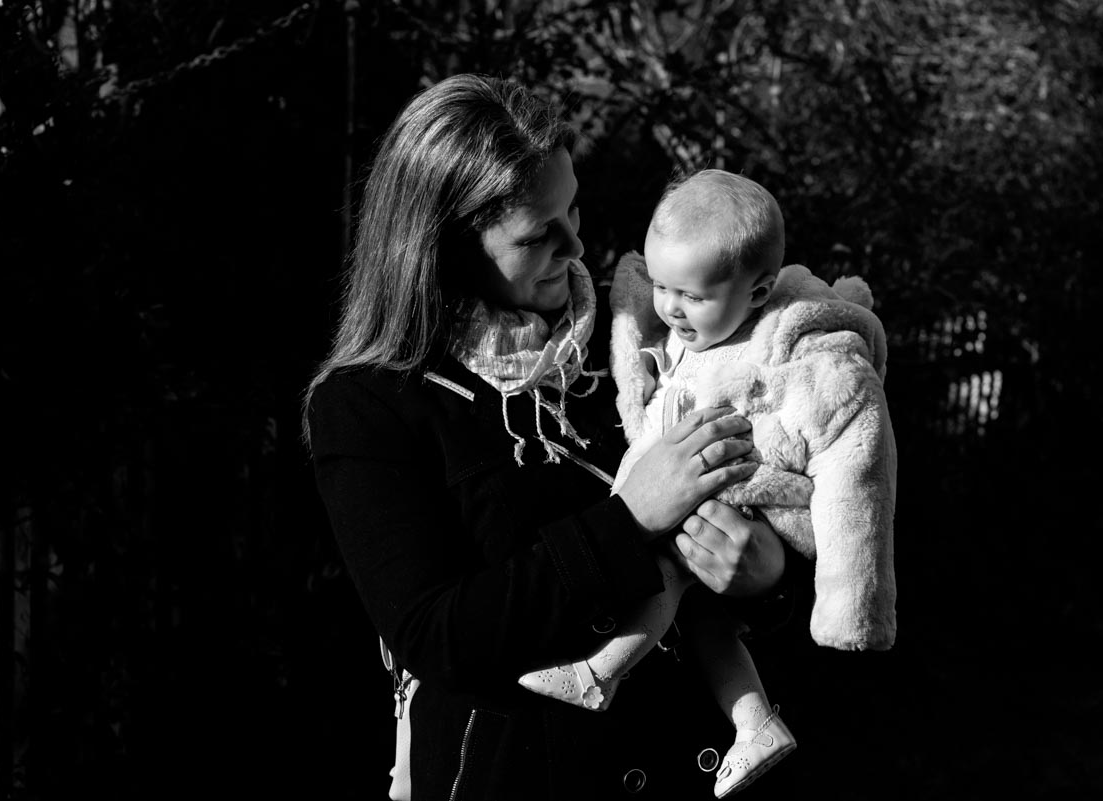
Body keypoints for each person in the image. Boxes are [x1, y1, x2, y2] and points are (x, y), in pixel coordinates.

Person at [304, 75, 801, 801]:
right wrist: (628, 520)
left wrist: (764, 578)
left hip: (704, 767)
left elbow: (763, 497)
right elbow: (439, 635)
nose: (577, 245)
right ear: (442, 248)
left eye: (573, 208)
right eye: (539, 233)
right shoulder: (369, 405)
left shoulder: (634, 339)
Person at [517, 170, 898, 798]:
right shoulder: (684, 328)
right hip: (706, 501)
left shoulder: (802, 359)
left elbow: (858, 468)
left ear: (759, 291)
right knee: (703, 621)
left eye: (689, 295)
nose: (669, 309)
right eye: (661, 288)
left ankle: (600, 670)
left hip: (757, 499)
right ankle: (755, 723)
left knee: (666, 569)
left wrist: (848, 600)